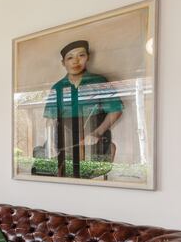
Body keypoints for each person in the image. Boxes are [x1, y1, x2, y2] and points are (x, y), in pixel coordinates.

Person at [43, 40, 123, 178]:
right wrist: (51, 144)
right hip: (64, 141)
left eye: (81, 55)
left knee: (91, 170)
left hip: (93, 140)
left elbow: (116, 110)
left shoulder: (99, 82)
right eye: (70, 58)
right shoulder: (57, 88)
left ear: (88, 57)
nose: (75, 61)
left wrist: (97, 133)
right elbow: (50, 119)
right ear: (63, 63)